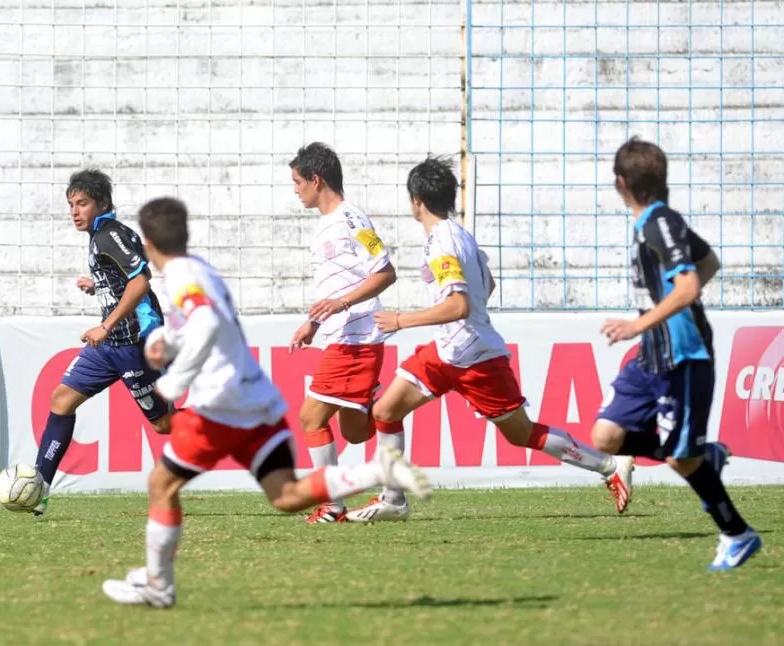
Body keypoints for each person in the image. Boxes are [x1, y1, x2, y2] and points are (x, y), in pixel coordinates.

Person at [101, 197, 431, 608]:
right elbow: (207, 325)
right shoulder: (199, 269)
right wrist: (168, 343)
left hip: (220, 406)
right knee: (287, 495)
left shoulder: (181, 275)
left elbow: (203, 322)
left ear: (147, 243)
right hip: (257, 400)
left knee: (162, 484)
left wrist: (175, 383)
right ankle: (380, 470)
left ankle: (158, 586)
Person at [368, 156, 635, 519]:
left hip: (475, 357)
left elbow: (459, 305)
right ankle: (393, 500)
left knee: (521, 433)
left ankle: (609, 467)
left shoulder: (442, 243)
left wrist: (401, 320)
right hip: (450, 350)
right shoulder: (460, 235)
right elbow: (487, 285)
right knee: (386, 409)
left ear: (417, 200)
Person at [592, 137, 761, 569]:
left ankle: (736, 533)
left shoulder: (658, 223)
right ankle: (703, 458)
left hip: (682, 356)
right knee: (606, 436)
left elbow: (688, 284)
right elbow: (709, 262)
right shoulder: (656, 221)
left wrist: (639, 323)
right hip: (652, 358)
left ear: (620, 183)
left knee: (681, 457)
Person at [31, 169, 173, 516]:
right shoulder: (98, 236)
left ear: (103, 203)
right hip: (110, 346)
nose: (75, 211)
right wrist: (100, 285)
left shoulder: (110, 234)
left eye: (83, 203)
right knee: (62, 400)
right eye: (71, 204)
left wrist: (106, 325)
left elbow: (141, 280)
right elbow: (123, 280)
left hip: (133, 343)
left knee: (163, 424)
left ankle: (221, 422)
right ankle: (37, 489)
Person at [286, 142, 407, 524]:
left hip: (355, 340)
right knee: (355, 431)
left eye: (297, 181)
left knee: (310, 419)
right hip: (342, 337)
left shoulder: (352, 219)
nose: (295, 189)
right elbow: (334, 289)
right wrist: (315, 322)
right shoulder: (326, 225)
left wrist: (341, 306)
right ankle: (387, 413)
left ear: (315, 180)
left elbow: (385, 273)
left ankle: (333, 505)